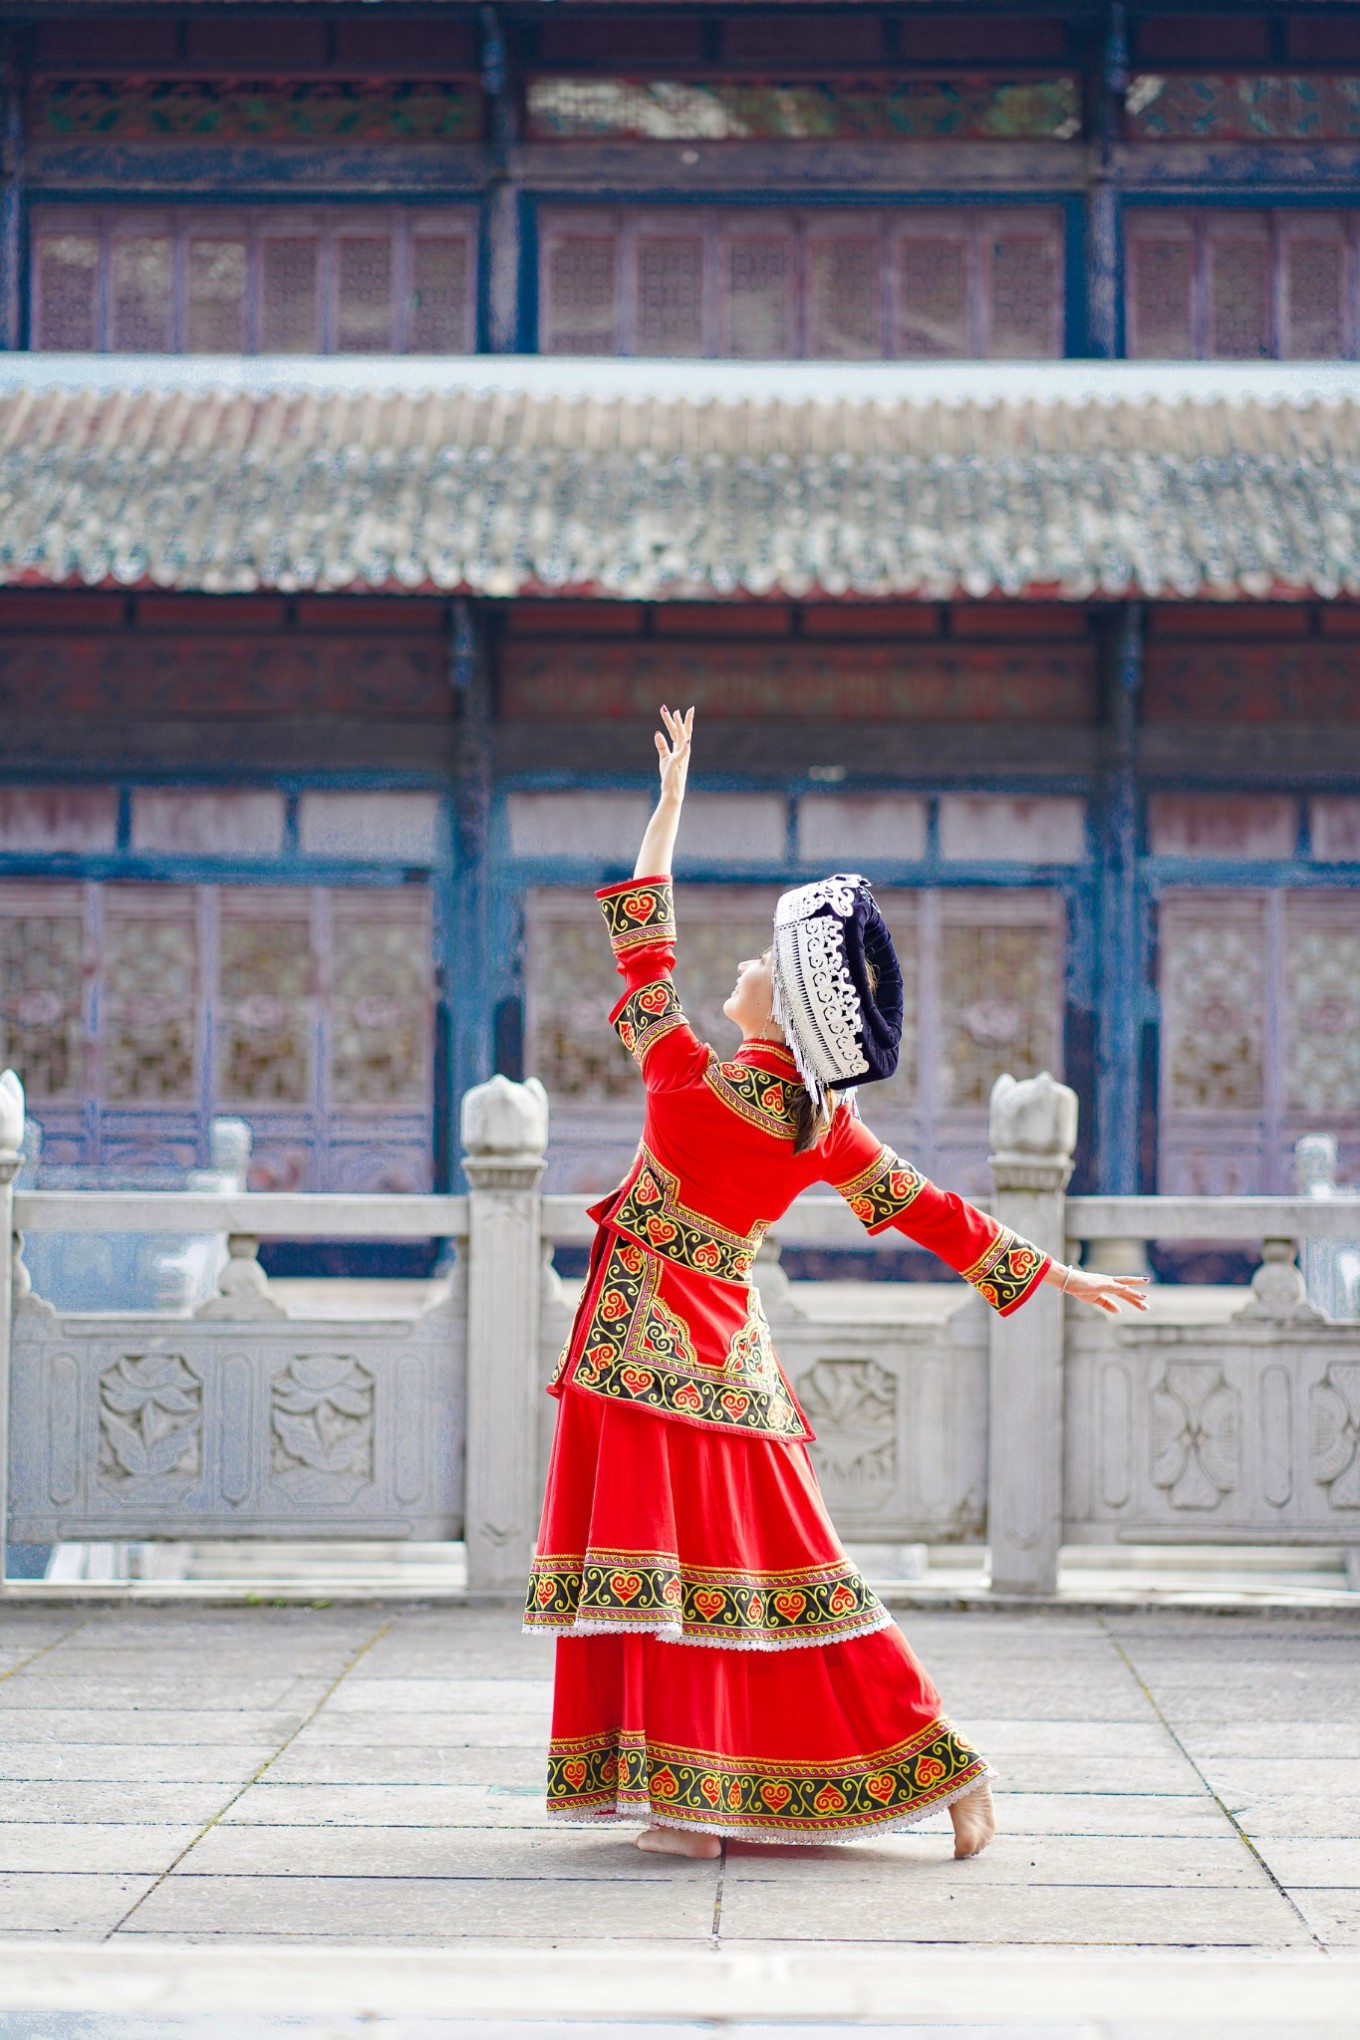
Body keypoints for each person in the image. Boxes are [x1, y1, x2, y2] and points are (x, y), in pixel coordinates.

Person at [525, 706, 1148, 1861]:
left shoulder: (686, 1089)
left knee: (674, 1583)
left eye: (762, 962)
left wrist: (665, 814)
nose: (747, 963)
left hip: (635, 1354)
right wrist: (1051, 1269)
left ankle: (722, 1795)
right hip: (730, 1363)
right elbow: (931, 1210)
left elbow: (639, 944)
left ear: (784, 1009)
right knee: (788, 1580)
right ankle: (867, 1776)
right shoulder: (821, 1122)